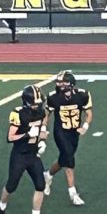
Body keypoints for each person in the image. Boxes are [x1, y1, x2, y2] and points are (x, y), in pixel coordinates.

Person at [0, 85, 49, 214]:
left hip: (33, 154)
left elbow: (43, 123)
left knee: (40, 185)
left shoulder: (41, 111)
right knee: (11, 186)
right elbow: (10, 137)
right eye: (35, 103)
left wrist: (42, 139)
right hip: (20, 154)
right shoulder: (18, 113)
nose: (38, 106)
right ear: (26, 102)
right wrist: (28, 135)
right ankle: (1, 206)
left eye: (39, 103)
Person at [45, 70, 93, 206]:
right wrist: (43, 129)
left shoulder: (82, 95)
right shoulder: (53, 97)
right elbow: (46, 114)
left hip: (74, 132)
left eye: (63, 82)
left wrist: (85, 126)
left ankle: (48, 175)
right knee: (69, 159)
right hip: (60, 131)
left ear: (70, 84)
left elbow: (89, 113)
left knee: (64, 159)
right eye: (59, 82)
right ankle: (72, 193)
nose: (59, 84)